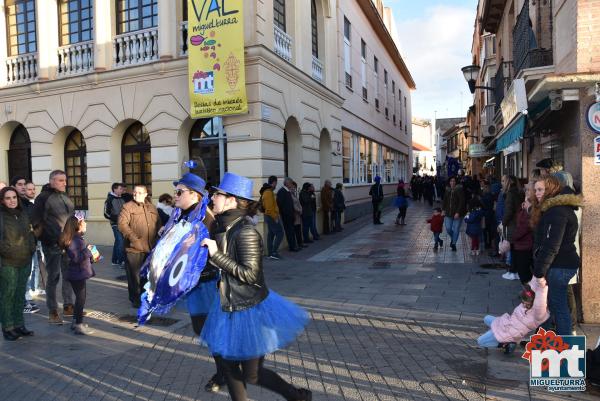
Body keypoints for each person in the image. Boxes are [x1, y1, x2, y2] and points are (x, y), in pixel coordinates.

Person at [200, 172, 312, 401]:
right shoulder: (221, 227)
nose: (213, 198)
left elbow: (251, 274)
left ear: (232, 199)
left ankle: (297, 396)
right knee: (229, 366)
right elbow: (216, 266)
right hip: (226, 306)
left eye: (217, 194)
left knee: (252, 375)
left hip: (248, 308)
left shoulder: (246, 231)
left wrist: (215, 255)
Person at [169, 172, 224, 393]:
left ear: (194, 195)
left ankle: (225, 372)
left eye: (179, 192)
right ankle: (226, 368)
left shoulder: (204, 218)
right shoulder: (183, 214)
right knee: (203, 328)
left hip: (206, 283)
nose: (176, 195)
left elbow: (214, 249)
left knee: (209, 329)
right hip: (192, 283)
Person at [530, 175, 582, 336]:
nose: (537, 193)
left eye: (540, 189)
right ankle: (553, 341)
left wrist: (539, 271)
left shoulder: (557, 212)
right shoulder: (555, 208)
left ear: (551, 189)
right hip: (560, 264)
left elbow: (552, 245)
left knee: (558, 306)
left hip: (561, 265)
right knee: (554, 304)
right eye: (536, 190)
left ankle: (566, 347)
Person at [31, 170, 75, 324]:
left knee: (69, 275)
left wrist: (76, 231)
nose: (65, 183)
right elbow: (37, 222)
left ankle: (69, 306)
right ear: (51, 181)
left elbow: (70, 218)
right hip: (52, 244)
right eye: (61, 180)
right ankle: (53, 310)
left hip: (69, 243)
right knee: (53, 277)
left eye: (65, 180)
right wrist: (51, 239)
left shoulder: (65, 196)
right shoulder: (43, 198)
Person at [0, 187, 36, 341]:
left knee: (20, 294)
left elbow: (30, 233)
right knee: (8, 295)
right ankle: (8, 327)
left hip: (25, 260)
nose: (12, 200)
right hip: (8, 262)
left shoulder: (22, 214)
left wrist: (31, 247)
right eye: (8, 198)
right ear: (2, 200)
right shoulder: (1, 216)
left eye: (14, 197)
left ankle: (19, 325)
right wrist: (7, 251)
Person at [477, 278, 549, 354]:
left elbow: (540, 302)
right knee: (486, 318)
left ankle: (505, 344)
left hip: (510, 333)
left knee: (480, 341)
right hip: (507, 323)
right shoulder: (528, 300)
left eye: (526, 304)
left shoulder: (538, 313)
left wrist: (542, 286)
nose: (524, 304)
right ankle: (496, 334)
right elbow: (532, 285)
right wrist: (539, 276)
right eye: (523, 302)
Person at [118, 185, 161, 308]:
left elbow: (158, 224)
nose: (136, 194)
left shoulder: (152, 207)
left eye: (139, 192)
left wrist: (159, 234)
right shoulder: (127, 207)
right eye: (135, 192)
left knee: (148, 276)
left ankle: (146, 297)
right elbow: (122, 225)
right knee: (134, 277)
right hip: (134, 249)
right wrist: (134, 239)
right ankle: (136, 300)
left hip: (150, 248)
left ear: (146, 194)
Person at [59, 213, 96, 335]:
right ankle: (78, 324)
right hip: (77, 274)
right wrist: (88, 251)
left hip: (78, 273)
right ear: (78, 225)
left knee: (80, 298)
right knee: (81, 299)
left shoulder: (77, 238)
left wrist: (91, 256)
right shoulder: (75, 240)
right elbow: (76, 258)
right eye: (84, 222)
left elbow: (81, 256)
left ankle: (75, 321)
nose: (86, 224)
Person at [11, 176, 39, 313]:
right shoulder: (12, 205)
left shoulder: (28, 204)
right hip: (16, 247)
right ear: (13, 186)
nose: (23, 187)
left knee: (27, 274)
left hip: (29, 245)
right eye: (19, 184)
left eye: (24, 184)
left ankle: (24, 300)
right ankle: (20, 302)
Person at [501, 175, 523, 281]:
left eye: (504, 181)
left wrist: (503, 223)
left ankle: (513, 271)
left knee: (513, 248)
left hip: (513, 224)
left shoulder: (510, 193)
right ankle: (515, 270)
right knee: (515, 248)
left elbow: (509, 211)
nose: (502, 183)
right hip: (519, 223)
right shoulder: (518, 192)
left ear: (508, 182)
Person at [260, 176, 284, 259]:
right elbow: (269, 209)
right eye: (276, 183)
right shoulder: (268, 192)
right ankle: (273, 252)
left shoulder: (268, 192)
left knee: (271, 234)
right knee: (280, 233)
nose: (276, 185)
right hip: (271, 216)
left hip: (269, 216)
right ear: (274, 182)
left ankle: (270, 253)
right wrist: (275, 217)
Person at [104, 183, 127, 267]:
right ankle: (121, 261)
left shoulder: (122, 198)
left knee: (118, 241)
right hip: (115, 224)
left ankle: (114, 260)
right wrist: (117, 219)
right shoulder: (109, 200)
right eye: (120, 189)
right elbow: (106, 213)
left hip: (124, 224)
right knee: (120, 241)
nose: (122, 190)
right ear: (115, 189)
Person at [513, 194, 534, 284]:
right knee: (522, 269)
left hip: (525, 246)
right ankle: (528, 292)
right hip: (520, 245)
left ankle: (529, 292)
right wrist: (522, 209)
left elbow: (523, 228)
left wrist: (511, 238)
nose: (524, 203)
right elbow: (518, 220)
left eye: (526, 201)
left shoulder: (529, 214)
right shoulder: (524, 211)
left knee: (524, 271)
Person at [442, 176, 465, 252]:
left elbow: (462, 202)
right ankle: (453, 238)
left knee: (456, 229)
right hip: (448, 212)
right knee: (448, 228)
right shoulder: (447, 190)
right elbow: (444, 200)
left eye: (454, 181)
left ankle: (454, 244)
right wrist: (443, 210)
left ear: (456, 182)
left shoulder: (459, 190)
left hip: (458, 213)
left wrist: (458, 212)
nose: (452, 182)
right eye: (451, 181)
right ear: (449, 182)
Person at [276, 178, 299, 252]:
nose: (292, 185)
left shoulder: (288, 191)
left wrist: (293, 213)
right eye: (291, 183)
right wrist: (285, 213)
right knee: (289, 231)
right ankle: (292, 247)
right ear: (287, 183)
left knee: (292, 231)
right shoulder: (282, 191)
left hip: (291, 215)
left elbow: (291, 204)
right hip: (286, 216)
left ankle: (294, 245)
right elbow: (280, 204)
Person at [290, 181, 306, 248]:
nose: (294, 189)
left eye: (295, 187)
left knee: (299, 229)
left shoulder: (294, 194)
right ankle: (297, 243)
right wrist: (299, 210)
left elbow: (298, 203)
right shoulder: (290, 195)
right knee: (296, 230)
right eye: (293, 187)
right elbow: (293, 205)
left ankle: (300, 243)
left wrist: (301, 209)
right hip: (295, 215)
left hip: (298, 215)